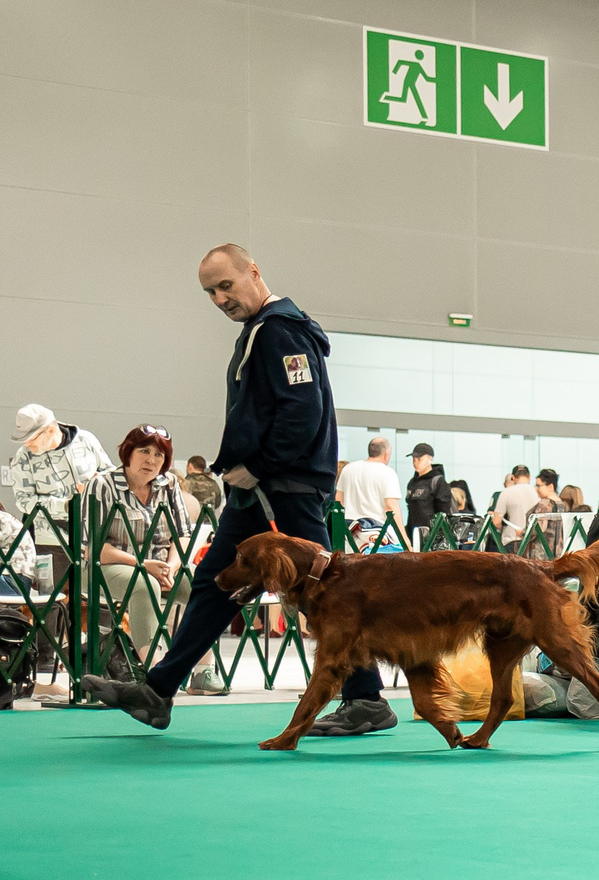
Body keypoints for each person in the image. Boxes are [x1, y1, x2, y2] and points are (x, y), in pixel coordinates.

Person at [79, 243, 393, 734]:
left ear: (254, 272)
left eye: (226, 285)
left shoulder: (279, 332)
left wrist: (259, 464)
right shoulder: (265, 332)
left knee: (325, 593)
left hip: (283, 488)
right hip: (261, 489)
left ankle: (367, 698)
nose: (220, 298)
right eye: (210, 292)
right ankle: (157, 691)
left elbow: (303, 412)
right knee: (215, 582)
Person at [84, 425, 220, 691]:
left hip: (162, 566)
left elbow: (182, 535)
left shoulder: (168, 484)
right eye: (144, 451)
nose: (151, 460)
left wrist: (170, 566)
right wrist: (144, 566)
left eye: (159, 455)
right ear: (128, 453)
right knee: (145, 584)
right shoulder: (102, 484)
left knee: (206, 587)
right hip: (109, 566)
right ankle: (156, 677)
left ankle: (203, 671)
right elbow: (95, 548)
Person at [8, 405, 109, 516]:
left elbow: (111, 475)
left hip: (92, 527)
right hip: (48, 531)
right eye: (24, 440)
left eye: (31, 439)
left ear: (50, 430)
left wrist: (97, 483)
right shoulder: (23, 457)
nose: (27, 444)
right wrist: (65, 506)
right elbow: (23, 500)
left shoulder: (86, 440)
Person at [338, 435, 400, 530]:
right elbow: (391, 507)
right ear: (386, 454)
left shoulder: (348, 469)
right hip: (378, 535)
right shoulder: (388, 473)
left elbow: (339, 501)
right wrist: (405, 539)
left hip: (350, 533)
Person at [405, 442, 454, 536]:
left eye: (419, 459)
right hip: (413, 535)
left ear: (430, 459)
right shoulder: (412, 482)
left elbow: (444, 512)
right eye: (413, 459)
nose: (415, 462)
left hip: (432, 536)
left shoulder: (438, 481)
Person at [491, 465, 538, 545]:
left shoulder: (506, 492)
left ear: (513, 477)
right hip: (534, 541)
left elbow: (496, 521)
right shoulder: (537, 492)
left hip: (512, 541)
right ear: (529, 477)